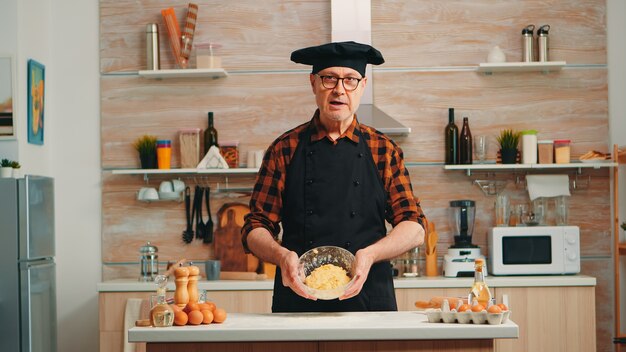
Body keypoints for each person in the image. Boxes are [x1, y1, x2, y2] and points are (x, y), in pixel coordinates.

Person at [242, 41, 427, 313]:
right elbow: (255, 227)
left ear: (362, 86)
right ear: (313, 83)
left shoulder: (383, 150)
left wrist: (370, 254)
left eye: (350, 80)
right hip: (298, 297)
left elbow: (415, 225)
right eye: (329, 78)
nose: (340, 89)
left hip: (370, 300)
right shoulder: (284, 149)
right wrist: (282, 256)